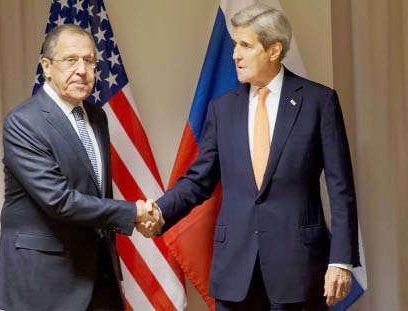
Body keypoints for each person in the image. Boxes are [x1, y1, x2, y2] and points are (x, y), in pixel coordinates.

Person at [138, 4, 360, 310]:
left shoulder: (318, 102)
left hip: (298, 269)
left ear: (273, 50)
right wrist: (160, 212)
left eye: (245, 45)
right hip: (235, 273)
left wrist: (341, 259)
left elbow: (341, 188)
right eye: (234, 45)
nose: (235, 55)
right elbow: (199, 179)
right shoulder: (223, 108)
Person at [0, 24, 159, 311]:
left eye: (89, 61)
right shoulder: (24, 122)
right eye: (70, 60)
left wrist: (136, 218)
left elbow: (95, 192)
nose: (82, 70)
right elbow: (58, 200)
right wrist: (132, 213)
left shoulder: (97, 117)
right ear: (46, 66)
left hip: (98, 276)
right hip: (44, 284)